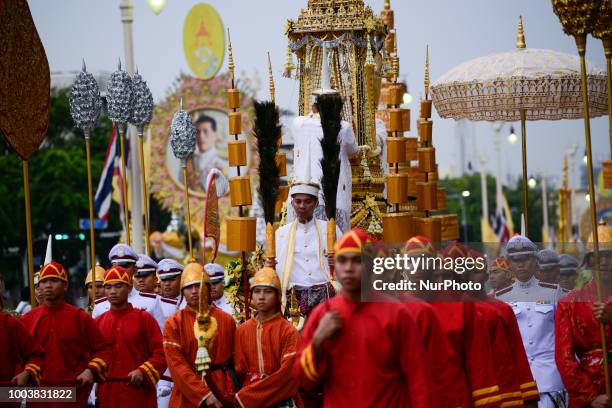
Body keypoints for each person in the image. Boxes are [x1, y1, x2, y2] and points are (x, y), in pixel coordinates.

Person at [294, 228, 432, 407]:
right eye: (343, 261)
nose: (349, 268)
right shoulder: (323, 315)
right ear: (335, 265)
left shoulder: (397, 314)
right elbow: (304, 381)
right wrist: (318, 341)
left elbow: (418, 378)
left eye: (357, 260)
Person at [403, 237, 503, 408]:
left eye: (423, 261)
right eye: (410, 262)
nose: (416, 268)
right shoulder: (396, 309)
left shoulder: (462, 306)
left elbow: (479, 367)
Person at [20, 260, 112, 408]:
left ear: (65, 285)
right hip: (39, 394)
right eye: (44, 282)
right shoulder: (26, 320)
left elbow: (104, 350)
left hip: (73, 392)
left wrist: (91, 370)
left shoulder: (80, 318)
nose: (48, 285)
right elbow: (17, 356)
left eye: (54, 280)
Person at [496, 235, 566, 407]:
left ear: (535, 261)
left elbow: (565, 337)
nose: (520, 264)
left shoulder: (554, 292)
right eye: (515, 259)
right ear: (509, 263)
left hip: (550, 378)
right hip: (518, 379)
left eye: (525, 259)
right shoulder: (500, 297)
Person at [163, 262, 236, 407]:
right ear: (182, 291)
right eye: (189, 287)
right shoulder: (174, 322)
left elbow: (236, 361)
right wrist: (203, 394)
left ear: (208, 288)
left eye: (198, 285)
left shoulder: (226, 320)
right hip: (187, 392)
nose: (194, 291)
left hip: (222, 388)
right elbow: (177, 365)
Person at [555, 220, 612, 408]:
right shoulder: (569, 303)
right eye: (598, 256)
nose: (604, 262)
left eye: (609, 256)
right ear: (588, 261)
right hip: (591, 387)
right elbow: (565, 358)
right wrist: (590, 396)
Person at [94, 266, 167, 408]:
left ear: (129, 288)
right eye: (108, 287)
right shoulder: (98, 322)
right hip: (108, 394)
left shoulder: (144, 319)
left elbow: (161, 352)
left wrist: (143, 371)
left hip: (139, 394)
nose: (113, 291)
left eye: (118, 286)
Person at [275, 166, 342, 319]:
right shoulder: (281, 234)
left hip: (326, 295)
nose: (302, 206)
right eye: (298, 201)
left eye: (307, 202)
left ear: (316, 203)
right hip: (294, 298)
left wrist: (338, 260)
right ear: (292, 204)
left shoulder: (331, 229)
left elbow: (351, 259)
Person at [233, 267, 302, 407]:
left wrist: (250, 396)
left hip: (280, 398)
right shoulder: (241, 331)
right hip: (248, 397)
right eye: (257, 291)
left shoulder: (288, 331)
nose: (261, 296)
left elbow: (289, 374)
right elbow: (239, 370)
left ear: (277, 296)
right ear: (251, 296)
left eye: (268, 291)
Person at [93, 243, 165, 330]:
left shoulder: (151, 302)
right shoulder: (100, 306)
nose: (120, 270)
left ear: (135, 269)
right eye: (116, 266)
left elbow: (161, 335)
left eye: (125, 266)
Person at [156, 258, 185, 408]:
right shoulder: (155, 304)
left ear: (182, 278)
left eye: (172, 279)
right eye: (164, 279)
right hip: (164, 372)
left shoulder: (190, 303)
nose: (167, 283)